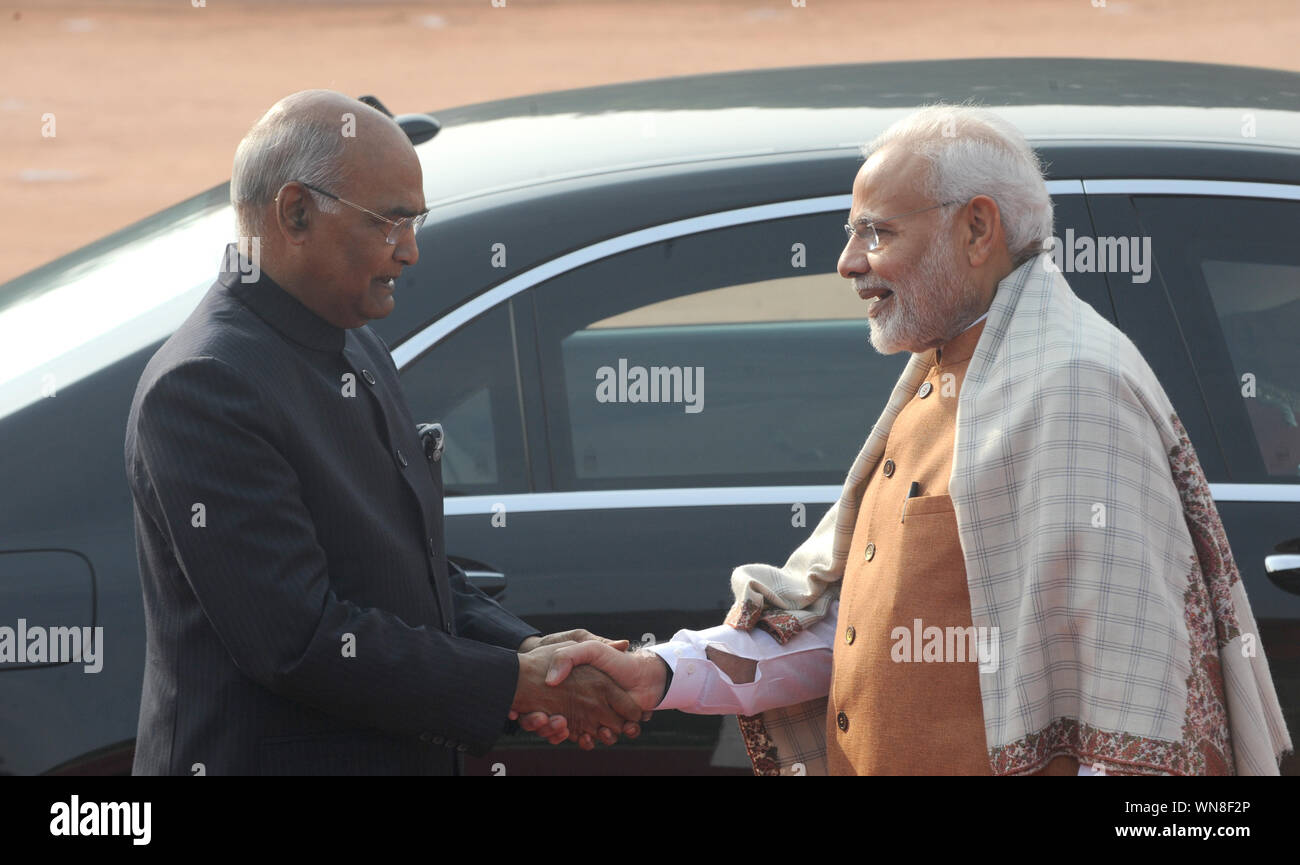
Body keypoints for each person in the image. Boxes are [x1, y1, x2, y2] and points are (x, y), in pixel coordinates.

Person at [535, 106, 1294, 776]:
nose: (849, 262)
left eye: (877, 232)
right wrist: (657, 672)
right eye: (852, 232)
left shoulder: (1070, 390)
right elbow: (849, 631)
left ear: (976, 228)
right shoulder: (949, 368)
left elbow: (1136, 700)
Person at [124, 90, 638, 775]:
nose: (411, 252)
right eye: (391, 222)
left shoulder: (350, 343)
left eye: (416, 221)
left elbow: (407, 573)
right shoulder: (206, 385)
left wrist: (528, 655)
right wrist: (512, 680)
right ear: (297, 212)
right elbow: (300, 638)